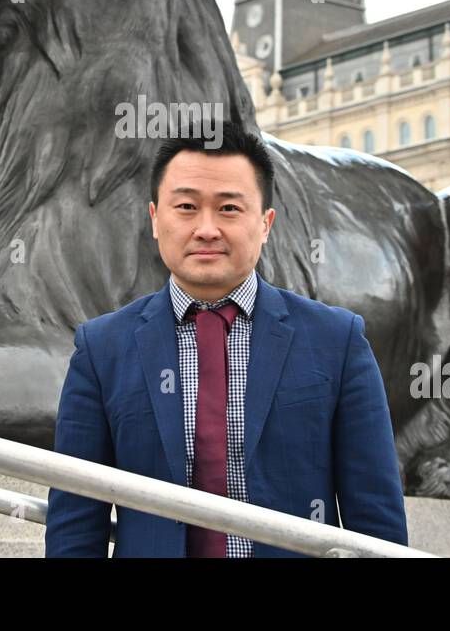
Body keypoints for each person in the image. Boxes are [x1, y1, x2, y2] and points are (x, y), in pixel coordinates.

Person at [45, 119, 408, 557]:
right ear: (155, 219)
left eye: (229, 209)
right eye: (186, 207)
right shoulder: (101, 350)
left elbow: (377, 527)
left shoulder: (336, 342)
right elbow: (75, 524)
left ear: (266, 223)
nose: (207, 229)